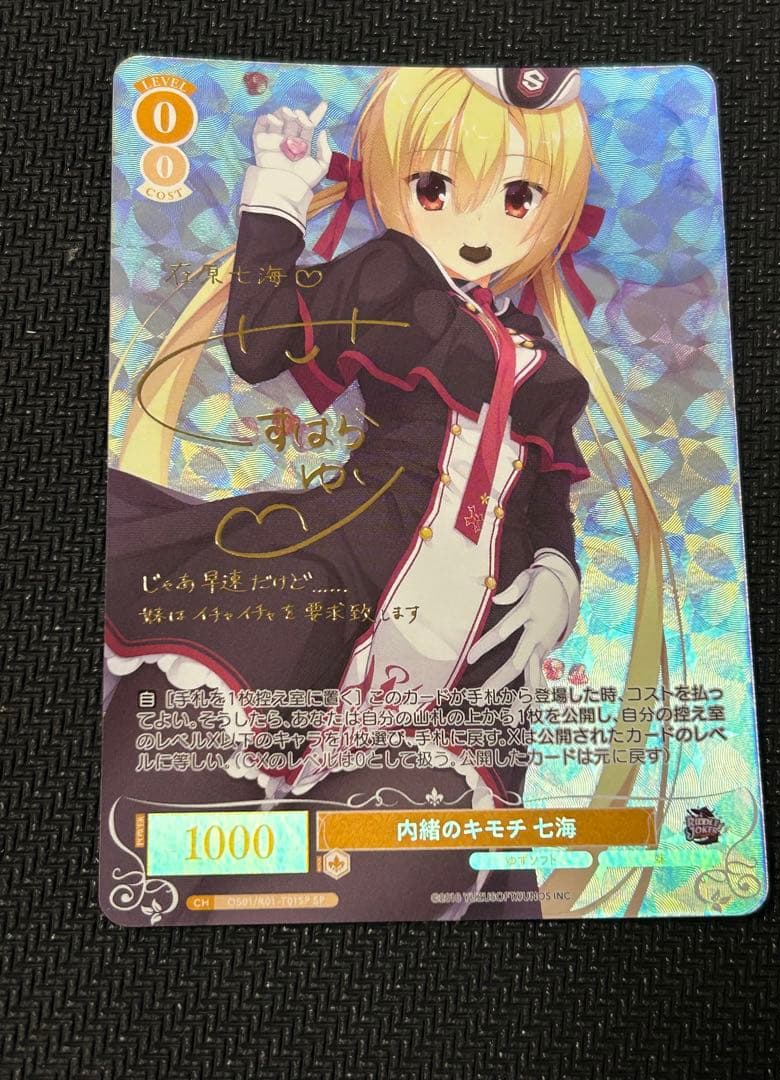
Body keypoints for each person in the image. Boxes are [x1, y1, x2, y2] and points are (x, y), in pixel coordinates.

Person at [107, 67, 668, 918]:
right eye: (436, 187)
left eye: (518, 196)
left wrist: (559, 574)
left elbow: (547, 494)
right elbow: (258, 346)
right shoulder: (392, 278)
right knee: (147, 867)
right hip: (325, 584)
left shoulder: (543, 359)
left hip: (475, 656)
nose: (477, 225)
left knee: (366, 878)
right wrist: (278, 199)